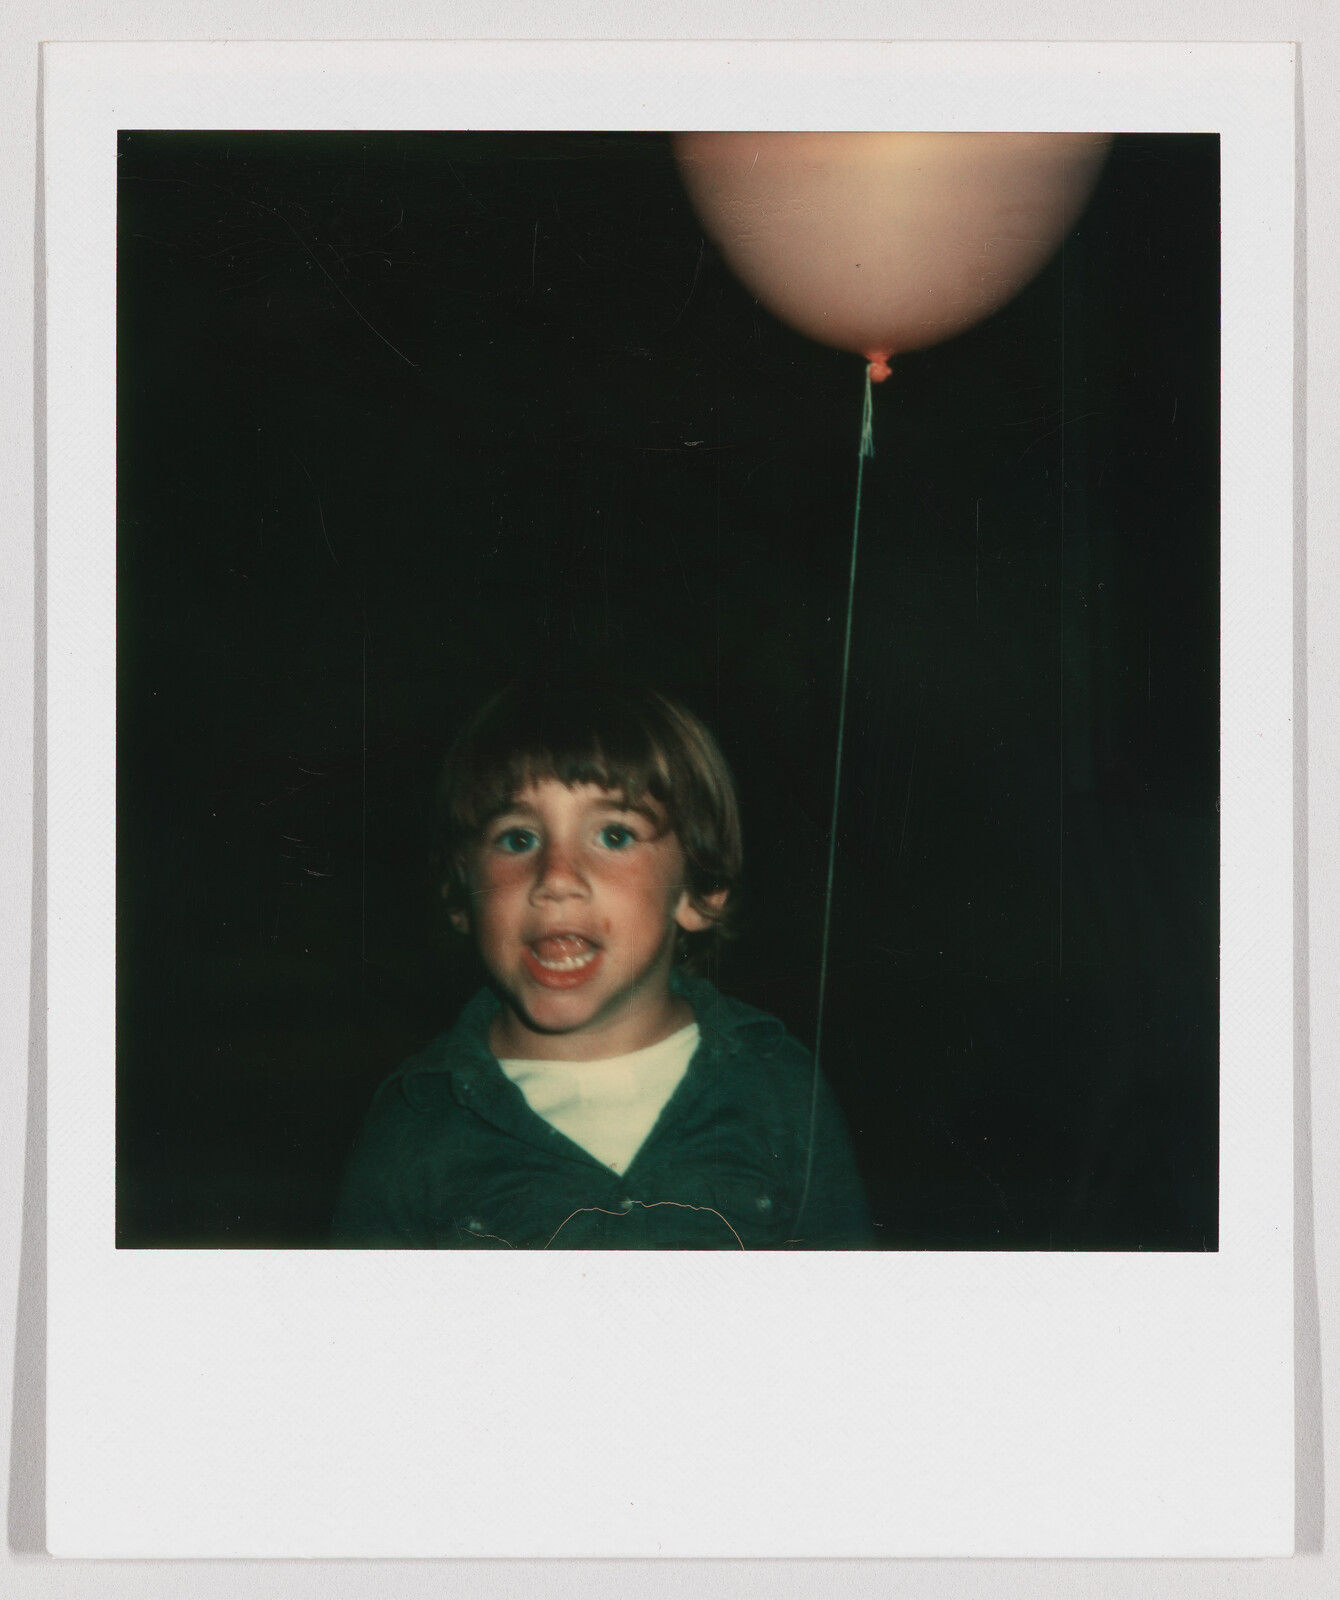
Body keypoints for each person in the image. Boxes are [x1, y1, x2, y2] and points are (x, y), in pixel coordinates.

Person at [331, 680, 872, 1249]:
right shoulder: (414, 1124)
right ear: (463, 896)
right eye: (517, 839)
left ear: (699, 890)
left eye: (614, 835)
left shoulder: (780, 1094)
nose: (556, 878)